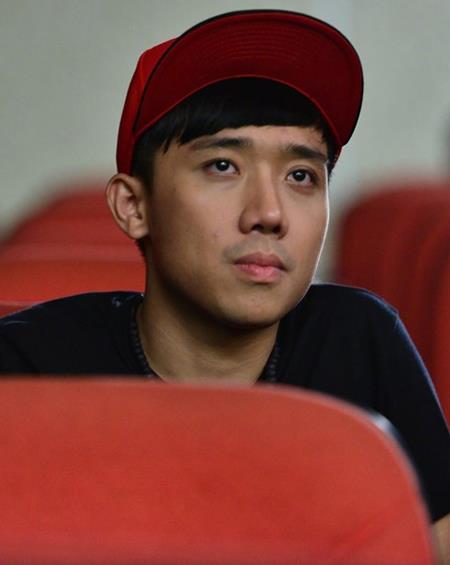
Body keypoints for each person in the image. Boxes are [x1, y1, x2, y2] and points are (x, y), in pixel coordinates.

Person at [0, 9, 449, 558]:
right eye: (222, 166)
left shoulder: (357, 341)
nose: (269, 213)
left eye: (301, 176)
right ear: (134, 206)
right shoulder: (29, 369)